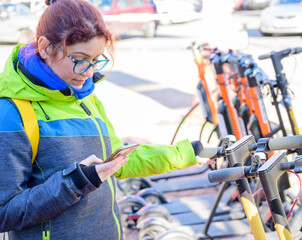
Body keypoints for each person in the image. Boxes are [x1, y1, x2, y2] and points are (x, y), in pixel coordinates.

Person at [0, 0, 214, 239]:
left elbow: (115, 160)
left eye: (95, 60)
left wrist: (185, 153)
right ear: (44, 47)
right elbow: (4, 213)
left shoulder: (85, 98)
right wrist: (75, 182)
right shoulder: (12, 114)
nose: (89, 72)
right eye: (80, 59)